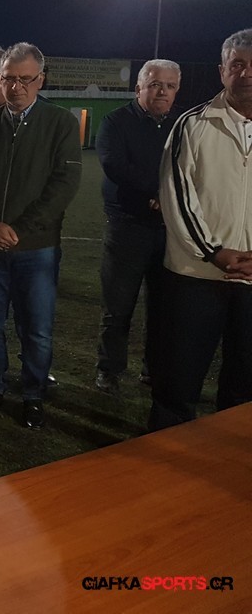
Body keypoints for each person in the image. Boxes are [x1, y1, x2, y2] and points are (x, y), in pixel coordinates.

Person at [0, 43, 81, 428]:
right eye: (9, 79)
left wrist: (19, 230)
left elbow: (64, 184)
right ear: (0, 80)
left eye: (25, 79)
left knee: (37, 329)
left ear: (41, 79)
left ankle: (33, 395)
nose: (17, 87)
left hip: (37, 248)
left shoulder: (60, 123)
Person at [151, 28, 252, 431]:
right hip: (195, 276)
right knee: (178, 381)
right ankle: (164, 452)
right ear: (222, 70)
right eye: (237, 64)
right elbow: (176, 195)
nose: (246, 73)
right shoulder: (192, 125)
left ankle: (230, 457)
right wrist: (214, 252)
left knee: (244, 383)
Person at [93, 59, 181, 394]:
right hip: (127, 227)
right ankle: (109, 369)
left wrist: (166, 197)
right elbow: (115, 165)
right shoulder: (115, 122)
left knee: (163, 306)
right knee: (118, 307)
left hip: (171, 229)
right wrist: (156, 192)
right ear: (139, 88)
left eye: (170, 86)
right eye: (155, 84)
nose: (162, 91)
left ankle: (154, 369)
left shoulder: (183, 123)